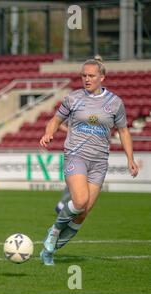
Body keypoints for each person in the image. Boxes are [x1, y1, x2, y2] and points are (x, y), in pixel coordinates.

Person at [38, 56, 139, 266]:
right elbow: (55, 120)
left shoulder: (115, 103)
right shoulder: (73, 99)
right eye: (83, 75)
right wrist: (49, 133)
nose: (86, 79)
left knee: (82, 214)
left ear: (102, 77)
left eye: (91, 75)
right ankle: (54, 230)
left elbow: (123, 131)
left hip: (99, 162)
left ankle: (50, 250)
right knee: (80, 201)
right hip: (76, 156)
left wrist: (131, 159)